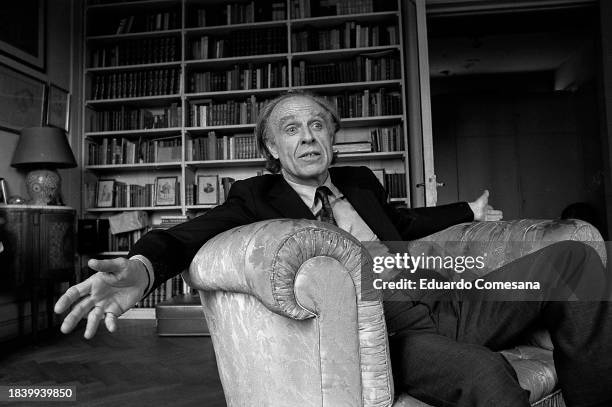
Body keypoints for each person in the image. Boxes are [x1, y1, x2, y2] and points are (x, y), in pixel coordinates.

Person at [55, 91, 612, 407]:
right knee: (487, 375)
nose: (307, 137)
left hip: (450, 299)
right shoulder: (255, 197)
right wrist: (139, 271)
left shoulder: (361, 180)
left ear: (332, 135)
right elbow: (183, 236)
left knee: (576, 261)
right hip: (397, 333)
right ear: (272, 147)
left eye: (317, 125)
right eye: (291, 129)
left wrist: (470, 211)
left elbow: (404, 220)